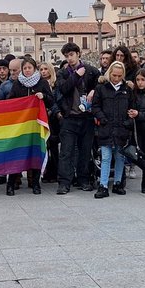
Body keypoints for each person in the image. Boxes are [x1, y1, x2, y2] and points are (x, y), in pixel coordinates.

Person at [55, 42, 100, 194]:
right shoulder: (63, 73)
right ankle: (64, 183)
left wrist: (94, 90)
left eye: (72, 55)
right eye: (67, 56)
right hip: (70, 117)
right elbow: (63, 88)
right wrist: (76, 75)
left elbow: (101, 84)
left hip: (87, 117)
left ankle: (84, 179)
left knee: (85, 151)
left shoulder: (91, 71)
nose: (69, 59)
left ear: (78, 54)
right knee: (66, 151)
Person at [7, 55, 53, 195]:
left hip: (36, 124)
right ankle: (11, 184)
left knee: (36, 152)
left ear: (34, 69)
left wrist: (43, 97)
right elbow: (9, 102)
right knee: (17, 153)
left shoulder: (42, 83)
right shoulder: (17, 83)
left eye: (30, 68)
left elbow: (51, 101)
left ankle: (35, 184)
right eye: (25, 68)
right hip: (20, 125)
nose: (27, 70)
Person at [91, 61, 133, 198]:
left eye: (119, 76)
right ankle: (103, 185)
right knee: (106, 157)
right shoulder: (101, 88)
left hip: (121, 127)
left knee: (120, 157)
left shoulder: (127, 89)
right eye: (114, 75)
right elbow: (95, 106)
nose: (116, 78)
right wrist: (102, 119)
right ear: (110, 73)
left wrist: (128, 122)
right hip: (106, 127)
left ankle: (117, 183)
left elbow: (132, 107)